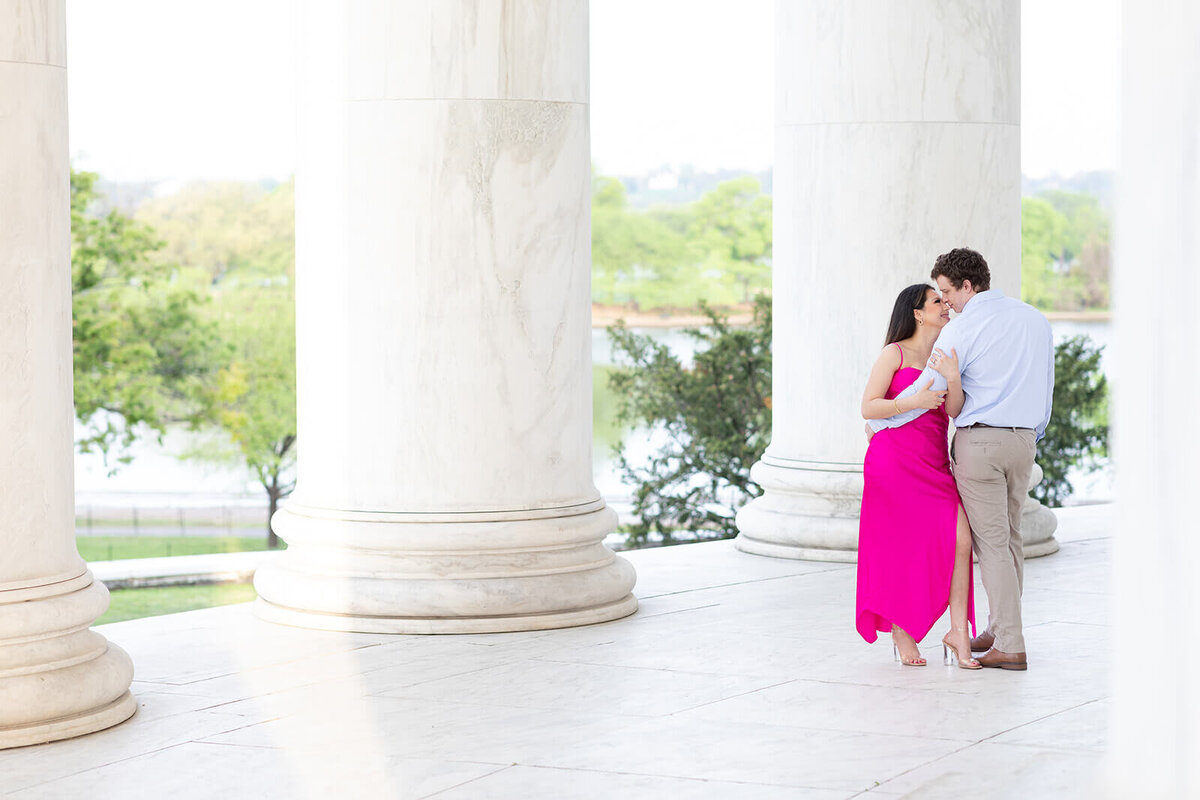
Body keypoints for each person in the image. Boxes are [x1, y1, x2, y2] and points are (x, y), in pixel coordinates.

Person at [871, 248, 1054, 671]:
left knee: (990, 545)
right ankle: (998, 627)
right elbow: (1046, 387)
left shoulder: (962, 329)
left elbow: (926, 392)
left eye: (948, 290)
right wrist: (1032, 433)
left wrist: (878, 424)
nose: (946, 300)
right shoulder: (1034, 319)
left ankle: (1009, 641)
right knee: (1009, 539)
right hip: (1024, 441)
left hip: (981, 443)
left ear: (968, 286)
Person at [856, 283, 979, 669]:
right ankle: (902, 630)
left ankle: (958, 631)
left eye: (945, 300)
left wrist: (953, 378)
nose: (946, 306)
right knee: (899, 546)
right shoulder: (893, 354)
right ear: (917, 313)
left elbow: (955, 411)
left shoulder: (947, 354)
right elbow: (868, 408)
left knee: (960, 539)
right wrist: (915, 401)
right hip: (893, 462)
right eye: (937, 301)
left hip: (933, 463)